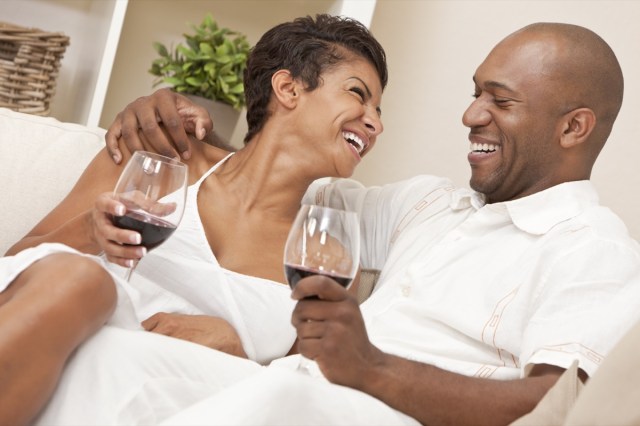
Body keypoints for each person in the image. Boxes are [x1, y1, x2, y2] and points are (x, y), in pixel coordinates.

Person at [101, 21, 640, 426]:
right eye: (476, 93)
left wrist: (372, 368)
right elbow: (273, 175)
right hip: (287, 390)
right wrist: (169, 123)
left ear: (573, 127)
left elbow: (562, 403)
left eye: (499, 100)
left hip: (358, 411)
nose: (472, 115)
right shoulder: (430, 205)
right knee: (118, 359)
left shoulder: (592, 246)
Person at [1, 14, 388, 425]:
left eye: (378, 110)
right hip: (46, 367)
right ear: (288, 88)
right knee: (85, 280)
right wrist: (88, 231)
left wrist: (238, 347)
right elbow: (16, 265)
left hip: (168, 405)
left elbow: (300, 385)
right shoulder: (161, 158)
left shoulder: (323, 254)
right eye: (357, 94)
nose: (375, 123)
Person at [0, 247, 117, 426]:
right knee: (81, 277)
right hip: (49, 272)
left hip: (125, 306)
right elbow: (20, 249)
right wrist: (90, 228)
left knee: (84, 279)